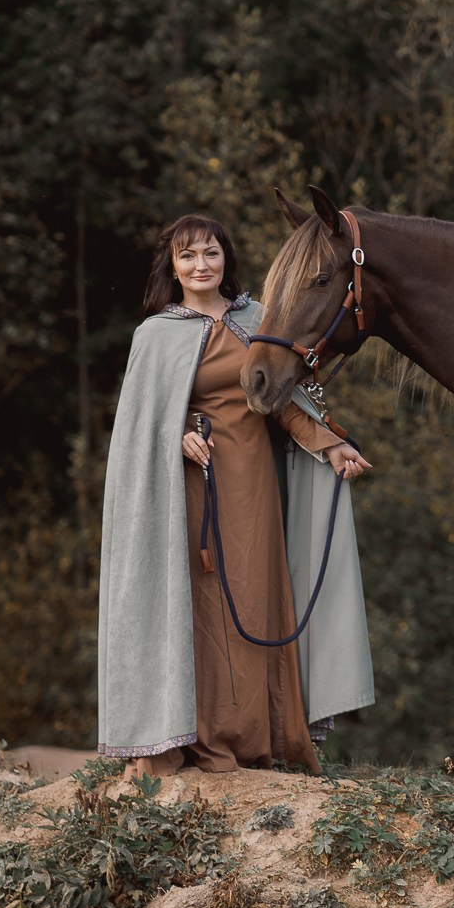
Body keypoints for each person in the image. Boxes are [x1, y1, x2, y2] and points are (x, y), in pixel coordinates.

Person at [98, 213, 375, 777]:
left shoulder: (259, 319)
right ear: (172, 267)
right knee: (198, 607)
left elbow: (286, 401)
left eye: (210, 254)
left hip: (254, 486)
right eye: (188, 256)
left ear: (226, 259)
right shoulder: (155, 336)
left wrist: (330, 446)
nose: (200, 266)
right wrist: (173, 437)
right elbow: (138, 427)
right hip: (192, 495)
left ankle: (258, 738)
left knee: (255, 599)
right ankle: (190, 738)